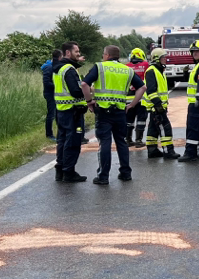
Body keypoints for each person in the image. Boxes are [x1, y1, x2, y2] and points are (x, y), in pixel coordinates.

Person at [82, 45, 146, 185]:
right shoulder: (127, 70)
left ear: (106, 55)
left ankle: (103, 176)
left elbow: (84, 84)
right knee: (121, 142)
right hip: (120, 111)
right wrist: (132, 104)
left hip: (104, 111)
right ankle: (125, 173)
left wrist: (89, 102)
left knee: (105, 143)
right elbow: (142, 87)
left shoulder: (100, 67)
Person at [53, 42, 89, 182]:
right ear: (68, 53)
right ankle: (69, 172)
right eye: (76, 51)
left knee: (62, 141)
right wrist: (88, 91)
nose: (78, 54)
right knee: (73, 142)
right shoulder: (69, 69)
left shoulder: (59, 68)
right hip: (73, 112)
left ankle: (60, 170)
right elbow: (75, 91)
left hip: (62, 111)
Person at [142, 48, 180, 160]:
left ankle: (152, 150)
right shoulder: (152, 71)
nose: (165, 60)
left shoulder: (158, 70)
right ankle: (168, 151)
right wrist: (158, 105)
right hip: (156, 107)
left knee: (153, 130)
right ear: (157, 59)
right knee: (165, 128)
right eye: (163, 57)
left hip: (158, 107)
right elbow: (151, 91)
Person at [125, 48, 149, 148]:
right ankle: (138, 140)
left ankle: (128, 140)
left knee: (128, 120)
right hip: (142, 97)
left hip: (128, 98)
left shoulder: (126, 66)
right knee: (141, 119)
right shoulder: (146, 65)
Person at [41, 49, 62, 140]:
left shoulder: (55, 66)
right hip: (50, 94)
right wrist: (57, 85)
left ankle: (59, 134)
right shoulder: (49, 67)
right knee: (51, 114)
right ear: (59, 57)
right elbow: (46, 82)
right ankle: (49, 134)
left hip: (56, 94)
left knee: (57, 114)